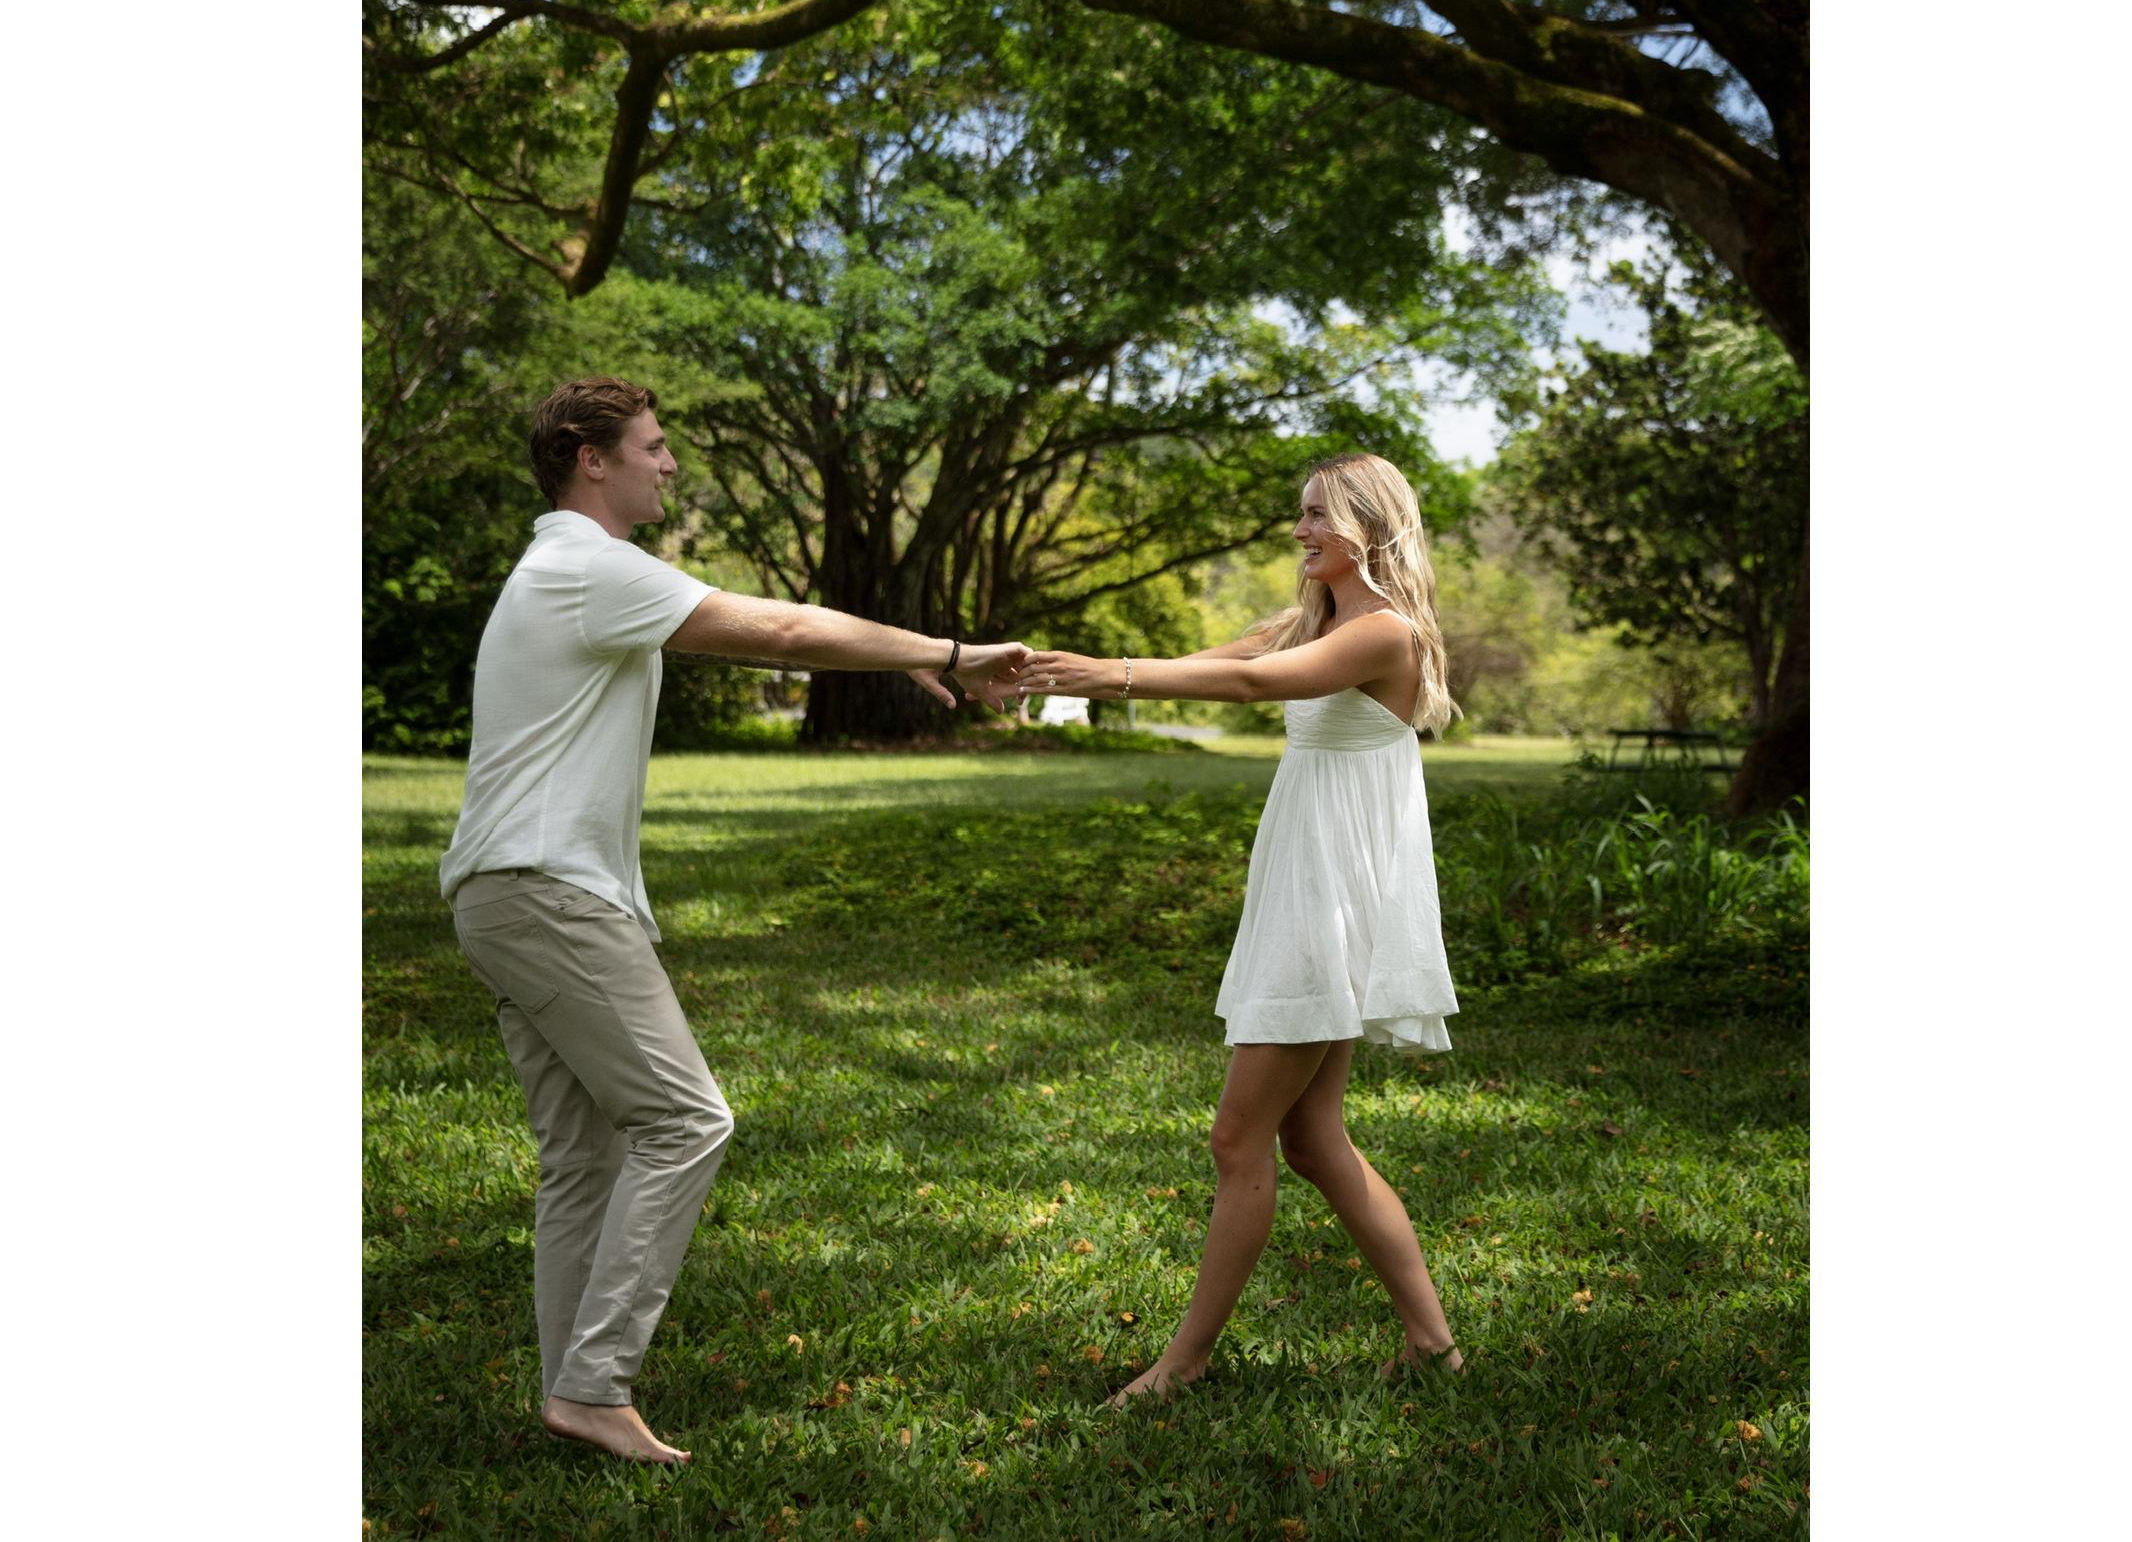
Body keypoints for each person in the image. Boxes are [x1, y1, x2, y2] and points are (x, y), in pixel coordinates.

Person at [438, 377, 1029, 1465]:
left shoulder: (564, 570)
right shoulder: (585, 565)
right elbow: (785, 629)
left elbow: (787, 630)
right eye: (653, 446)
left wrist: (909, 655)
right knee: (686, 1121)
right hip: (546, 892)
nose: (670, 464)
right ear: (589, 458)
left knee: (585, 1157)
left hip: (504, 895)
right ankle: (596, 1383)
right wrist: (946, 651)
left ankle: (575, 1393)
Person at [1023, 452, 1465, 1405]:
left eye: (1317, 515)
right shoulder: (1313, 620)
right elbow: (1214, 663)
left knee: (1238, 1140)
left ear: (1370, 525)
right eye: (1300, 514)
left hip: (1329, 902)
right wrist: (1048, 668)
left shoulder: (1383, 632)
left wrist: (1102, 677)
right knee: (1312, 1139)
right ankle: (1433, 1346)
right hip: (1306, 884)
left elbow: (1256, 688)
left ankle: (1182, 1365)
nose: (1300, 531)